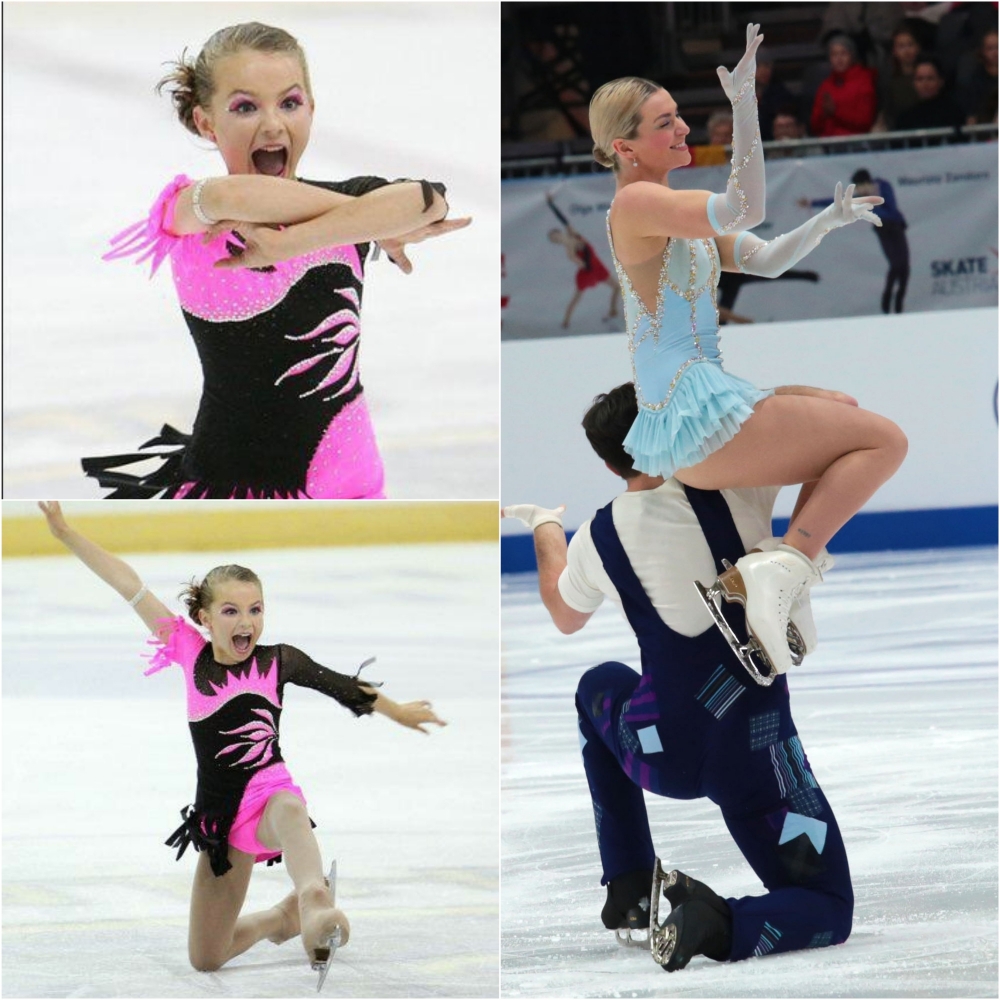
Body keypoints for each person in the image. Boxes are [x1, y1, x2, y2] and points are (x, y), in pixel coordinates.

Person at [586, 24, 907, 677]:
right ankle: (783, 565)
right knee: (885, 442)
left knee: (843, 411)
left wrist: (823, 222)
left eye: (678, 117)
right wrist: (744, 105)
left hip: (696, 411)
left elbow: (765, 256)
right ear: (625, 147)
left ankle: (766, 572)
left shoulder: (671, 212)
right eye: (665, 123)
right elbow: (744, 206)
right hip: (695, 410)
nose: (680, 130)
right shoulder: (637, 202)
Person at [501, 381, 855, 972]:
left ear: (611, 464)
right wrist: (746, 404)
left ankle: (630, 889)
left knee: (598, 686)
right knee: (825, 906)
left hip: (657, 747)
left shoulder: (598, 535)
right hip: (756, 762)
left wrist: (544, 527)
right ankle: (715, 922)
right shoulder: (742, 486)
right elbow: (841, 413)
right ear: (676, 428)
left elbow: (563, 615)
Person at [37, 500, 445, 976]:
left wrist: (398, 712)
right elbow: (130, 586)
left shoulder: (278, 660)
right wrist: (65, 533)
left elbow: (344, 687)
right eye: (230, 611)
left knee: (291, 808)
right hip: (217, 822)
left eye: (255, 609)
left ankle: (313, 901)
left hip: (269, 796)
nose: (245, 621)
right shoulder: (191, 654)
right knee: (206, 958)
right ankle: (282, 917)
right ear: (205, 619)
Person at [82, 22, 470, 500]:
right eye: (245, 107)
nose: (272, 125)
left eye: (290, 103)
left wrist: (294, 242)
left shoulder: (343, 200)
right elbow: (237, 195)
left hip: (358, 478)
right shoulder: (192, 208)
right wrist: (373, 218)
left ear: (311, 108)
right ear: (206, 122)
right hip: (241, 487)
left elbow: (430, 201)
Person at [546, 194, 620, 329]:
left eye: (555, 236)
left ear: (560, 232)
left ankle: (612, 311)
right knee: (577, 298)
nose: (556, 239)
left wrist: (551, 204)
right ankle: (565, 322)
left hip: (597, 266)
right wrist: (573, 250)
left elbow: (563, 220)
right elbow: (582, 263)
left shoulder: (573, 234)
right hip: (587, 272)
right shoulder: (569, 250)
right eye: (554, 240)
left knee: (617, 287)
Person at [810, 34, 878, 137]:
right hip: (829, 144)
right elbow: (815, 125)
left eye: (843, 53)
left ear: (852, 56)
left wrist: (835, 113)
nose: (839, 58)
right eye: (834, 54)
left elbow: (865, 120)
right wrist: (823, 115)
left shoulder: (864, 81)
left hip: (856, 144)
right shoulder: (825, 86)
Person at [896, 55, 966, 129]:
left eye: (930, 78)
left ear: (941, 81)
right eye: (920, 79)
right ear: (913, 83)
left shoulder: (953, 113)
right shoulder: (905, 117)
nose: (925, 84)